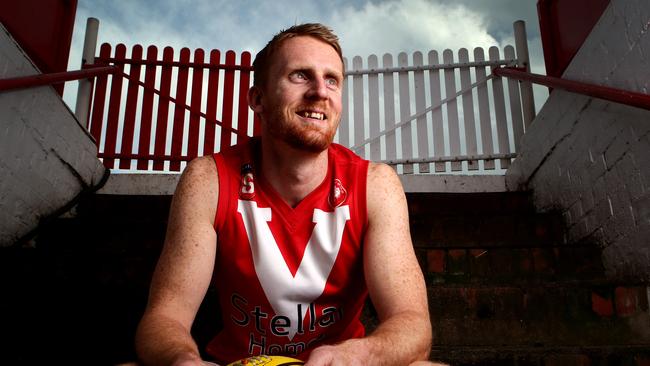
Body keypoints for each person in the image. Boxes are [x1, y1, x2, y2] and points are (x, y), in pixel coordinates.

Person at [135, 23, 432, 366]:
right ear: (258, 99)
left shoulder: (375, 184)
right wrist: (181, 360)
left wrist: (362, 354)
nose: (320, 91)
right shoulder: (209, 179)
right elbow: (164, 318)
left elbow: (413, 324)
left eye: (332, 79)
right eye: (301, 76)